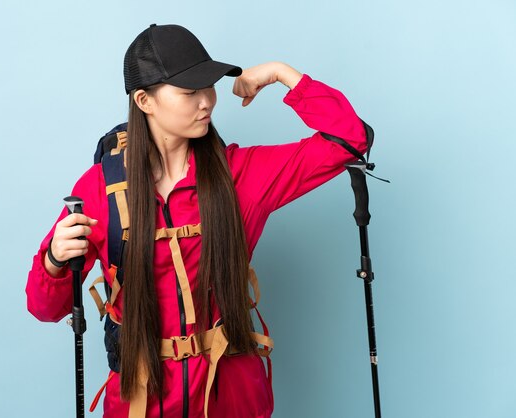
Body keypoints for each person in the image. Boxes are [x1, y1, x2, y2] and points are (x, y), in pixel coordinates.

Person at [26, 23, 369, 418]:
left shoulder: (240, 175)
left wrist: (282, 73)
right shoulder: (99, 189)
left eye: (209, 87)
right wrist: (54, 260)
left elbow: (349, 139)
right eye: (189, 92)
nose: (206, 101)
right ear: (144, 100)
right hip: (143, 397)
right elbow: (45, 308)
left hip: (232, 396)